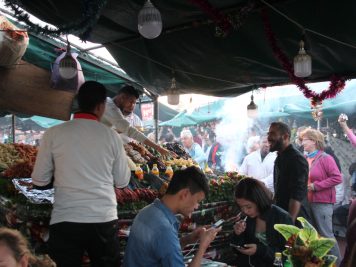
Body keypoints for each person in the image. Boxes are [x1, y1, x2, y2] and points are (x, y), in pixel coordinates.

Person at [32, 81, 131, 267]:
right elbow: (122, 181)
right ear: (101, 107)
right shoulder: (112, 137)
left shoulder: (53, 134)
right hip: (103, 218)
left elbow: (39, 180)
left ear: (78, 103)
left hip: (65, 218)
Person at [123, 166, 221, 267]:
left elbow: (162, 249)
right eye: (198, 201)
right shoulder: (164, 229)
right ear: (185, 194)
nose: (197, 206)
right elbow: (164, 239)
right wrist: (203, 247)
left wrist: (188, 239)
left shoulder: (148, 211)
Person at [300, 128, 342, 263]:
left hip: (322, 203)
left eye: (305, 140)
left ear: (314, 141)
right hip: (308, 202)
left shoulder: (326, 158)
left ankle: (337, 263)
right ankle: (319, 263)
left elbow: (337, 178)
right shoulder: (305, 158)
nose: (302, 143)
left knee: (326, 235)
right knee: (313, 235)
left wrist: (315, 186)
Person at [231, 178, 293, 267]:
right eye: (241, 207)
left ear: (259, 200)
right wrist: (238, 234)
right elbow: (236, 250)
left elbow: (289, 255)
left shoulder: (282, 218)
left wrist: (260, 250)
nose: (245, 211)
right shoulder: (245, 218)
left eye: (248, 207)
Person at [101, 84, 171, 156]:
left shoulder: (110, 103)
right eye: (131, 102)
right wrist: (159, 148)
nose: (132, 105)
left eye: (134, 103)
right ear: (122, 97)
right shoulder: (110, 108)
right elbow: (130, 131)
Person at [267, 122, 309, 222]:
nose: (268, 138)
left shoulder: (296, 159)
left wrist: (289, 224)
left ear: (285, 137)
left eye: (272, 134)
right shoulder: (280, 157)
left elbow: (296, 196)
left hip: (295, 220)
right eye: (268, 134)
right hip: (282, 214)